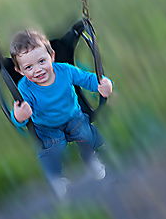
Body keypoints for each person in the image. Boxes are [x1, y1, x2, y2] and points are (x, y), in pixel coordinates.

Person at [10, 28, 113, 199]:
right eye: (29, 67)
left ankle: (90, 159)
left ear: (52, 56)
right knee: (52, 150)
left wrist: (103, 85)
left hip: (74, 116)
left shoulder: (65, 70)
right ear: (20, 71)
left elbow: (88, 79)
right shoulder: (24, 88)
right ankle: (56, 178)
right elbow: (19, 116)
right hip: (46, 126)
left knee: (86, 136)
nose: (37, 70)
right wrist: (19, 116)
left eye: (42, 61)